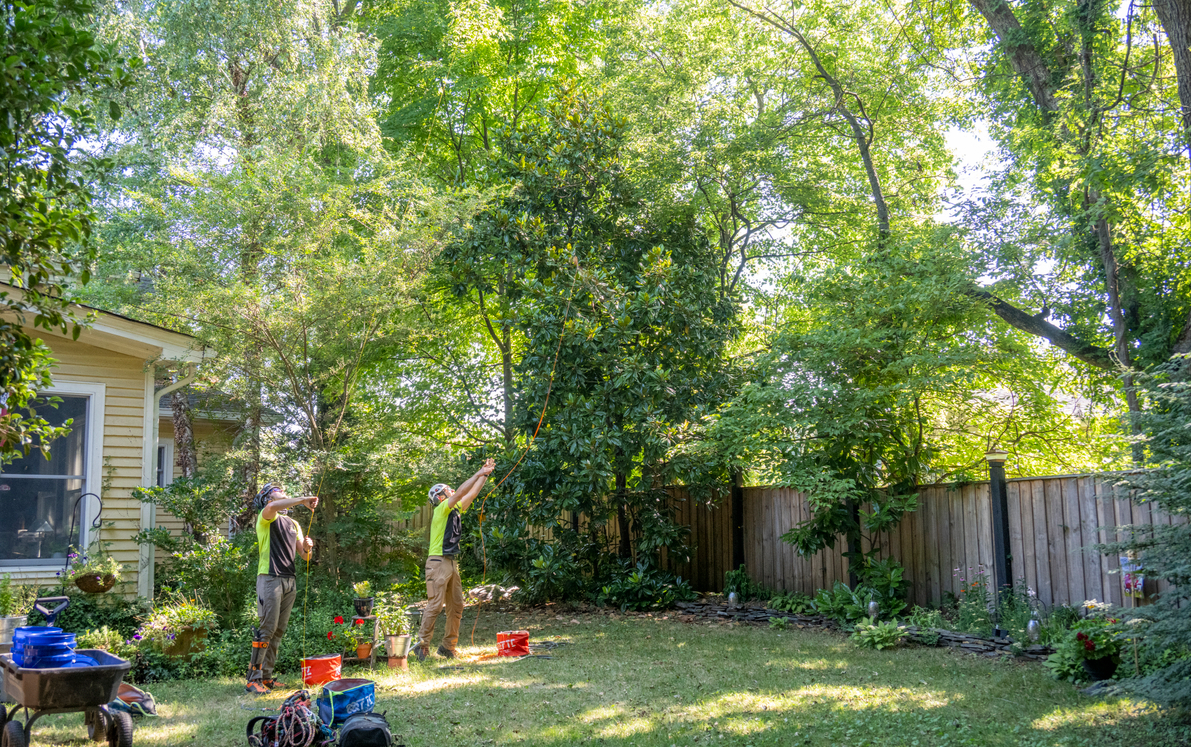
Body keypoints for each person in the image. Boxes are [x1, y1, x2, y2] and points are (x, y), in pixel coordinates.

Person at [414, 457, 495, 661]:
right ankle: (422, 646)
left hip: (450, 562)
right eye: (447, 490)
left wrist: (485, 474)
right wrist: (478, 472)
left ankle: (447, 647)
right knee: (435, 605)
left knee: (457, 605)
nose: (451, 491)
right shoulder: (442, 509)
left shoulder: (455, 509)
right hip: (437, 563)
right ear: (440, 497)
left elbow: (472, 494)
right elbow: (460, 492)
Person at [246, 483, 318, 694]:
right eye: (278, 491)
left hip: (289, 580)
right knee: (266, 629)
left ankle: (266, 677)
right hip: (269, 578)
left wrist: (308, 548)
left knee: (278, 631)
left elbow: (304, 556)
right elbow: (274, 506)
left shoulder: (293, 523)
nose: (283, 492)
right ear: (269, 498)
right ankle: (253, 679)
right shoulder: (266, 515)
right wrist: (303, 500)